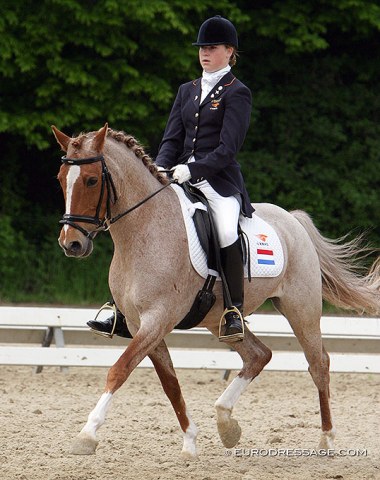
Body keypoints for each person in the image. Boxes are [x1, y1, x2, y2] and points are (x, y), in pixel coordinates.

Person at [88, 15, 253, 342]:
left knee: (224, 226)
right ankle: (123, 310)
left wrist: (193, 169)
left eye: (212, 47)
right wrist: (159, 169)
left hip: (218, 182)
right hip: (177, 177)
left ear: (229, 51)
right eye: (202, 48)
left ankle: (233, 309)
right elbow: (170, 141)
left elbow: (228, 148)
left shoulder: (238, 92)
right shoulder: (186, 90)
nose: (205, 53)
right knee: (137, 222)